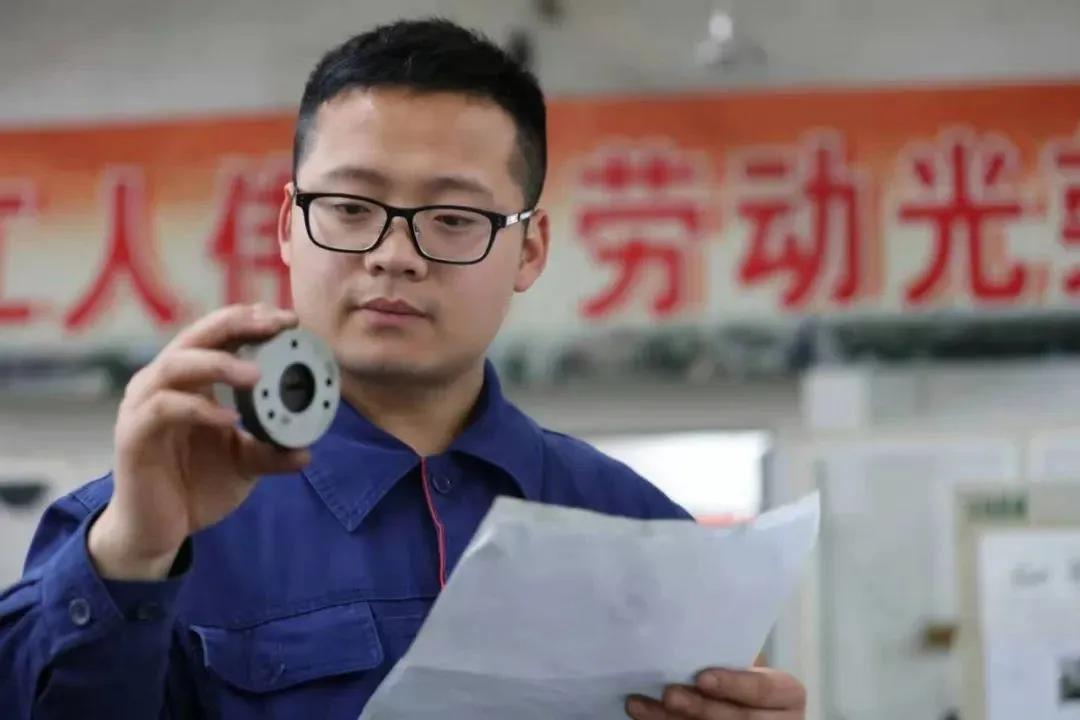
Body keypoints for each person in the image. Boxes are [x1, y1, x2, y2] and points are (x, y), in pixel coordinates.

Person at [0, 18, 806, 720]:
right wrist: (133, 557)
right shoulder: (138, 526)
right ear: (288, 226)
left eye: (453, 218)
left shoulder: (639, 532)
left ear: (529, 249)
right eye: (352, 209)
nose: (395, 255)